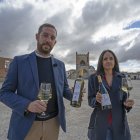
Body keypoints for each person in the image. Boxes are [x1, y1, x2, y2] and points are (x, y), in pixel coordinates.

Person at [0, 23, 73, 140]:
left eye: (52, 38)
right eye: (45, 35)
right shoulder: (19, 62)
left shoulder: (60, 65)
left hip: (52, 124)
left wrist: (74, 94)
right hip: (27, 125)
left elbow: (63, 89)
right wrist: (27, 105)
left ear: (55, 42)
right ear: (37, 36)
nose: (48, 40)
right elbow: (4, 93)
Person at [87, 50, 134, 140]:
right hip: (100, 124)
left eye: (111, 58)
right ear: (101, 62)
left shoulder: (122, 78)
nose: (108, 61)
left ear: (115, 61)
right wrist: (96, 100)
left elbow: (125, 99)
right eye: (105, 59)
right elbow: (90, 100)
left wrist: (128, 104)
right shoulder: (93, 78)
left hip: (119, 124)